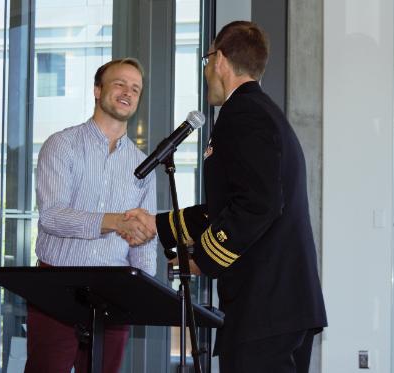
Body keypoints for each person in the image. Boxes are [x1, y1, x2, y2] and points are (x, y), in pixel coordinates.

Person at [128, 21, 327, 372]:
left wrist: (204, 259)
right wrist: (157, 226)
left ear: (219, 59)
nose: (206, 71)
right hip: (279, 306)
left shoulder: (244, 114)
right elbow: (228, 207)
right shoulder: (262, 112)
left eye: (206, 60)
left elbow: (258, 206)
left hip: (266, 309)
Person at [25, 58, 157, 373]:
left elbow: (143, 239)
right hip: (57, 287)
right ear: (97, 90)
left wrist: (142, 288)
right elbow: (52, 217)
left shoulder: (143, 165)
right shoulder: (61, 145)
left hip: (115, 292)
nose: (128, 93)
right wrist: (115, 221)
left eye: (135, 89)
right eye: (119, 84)